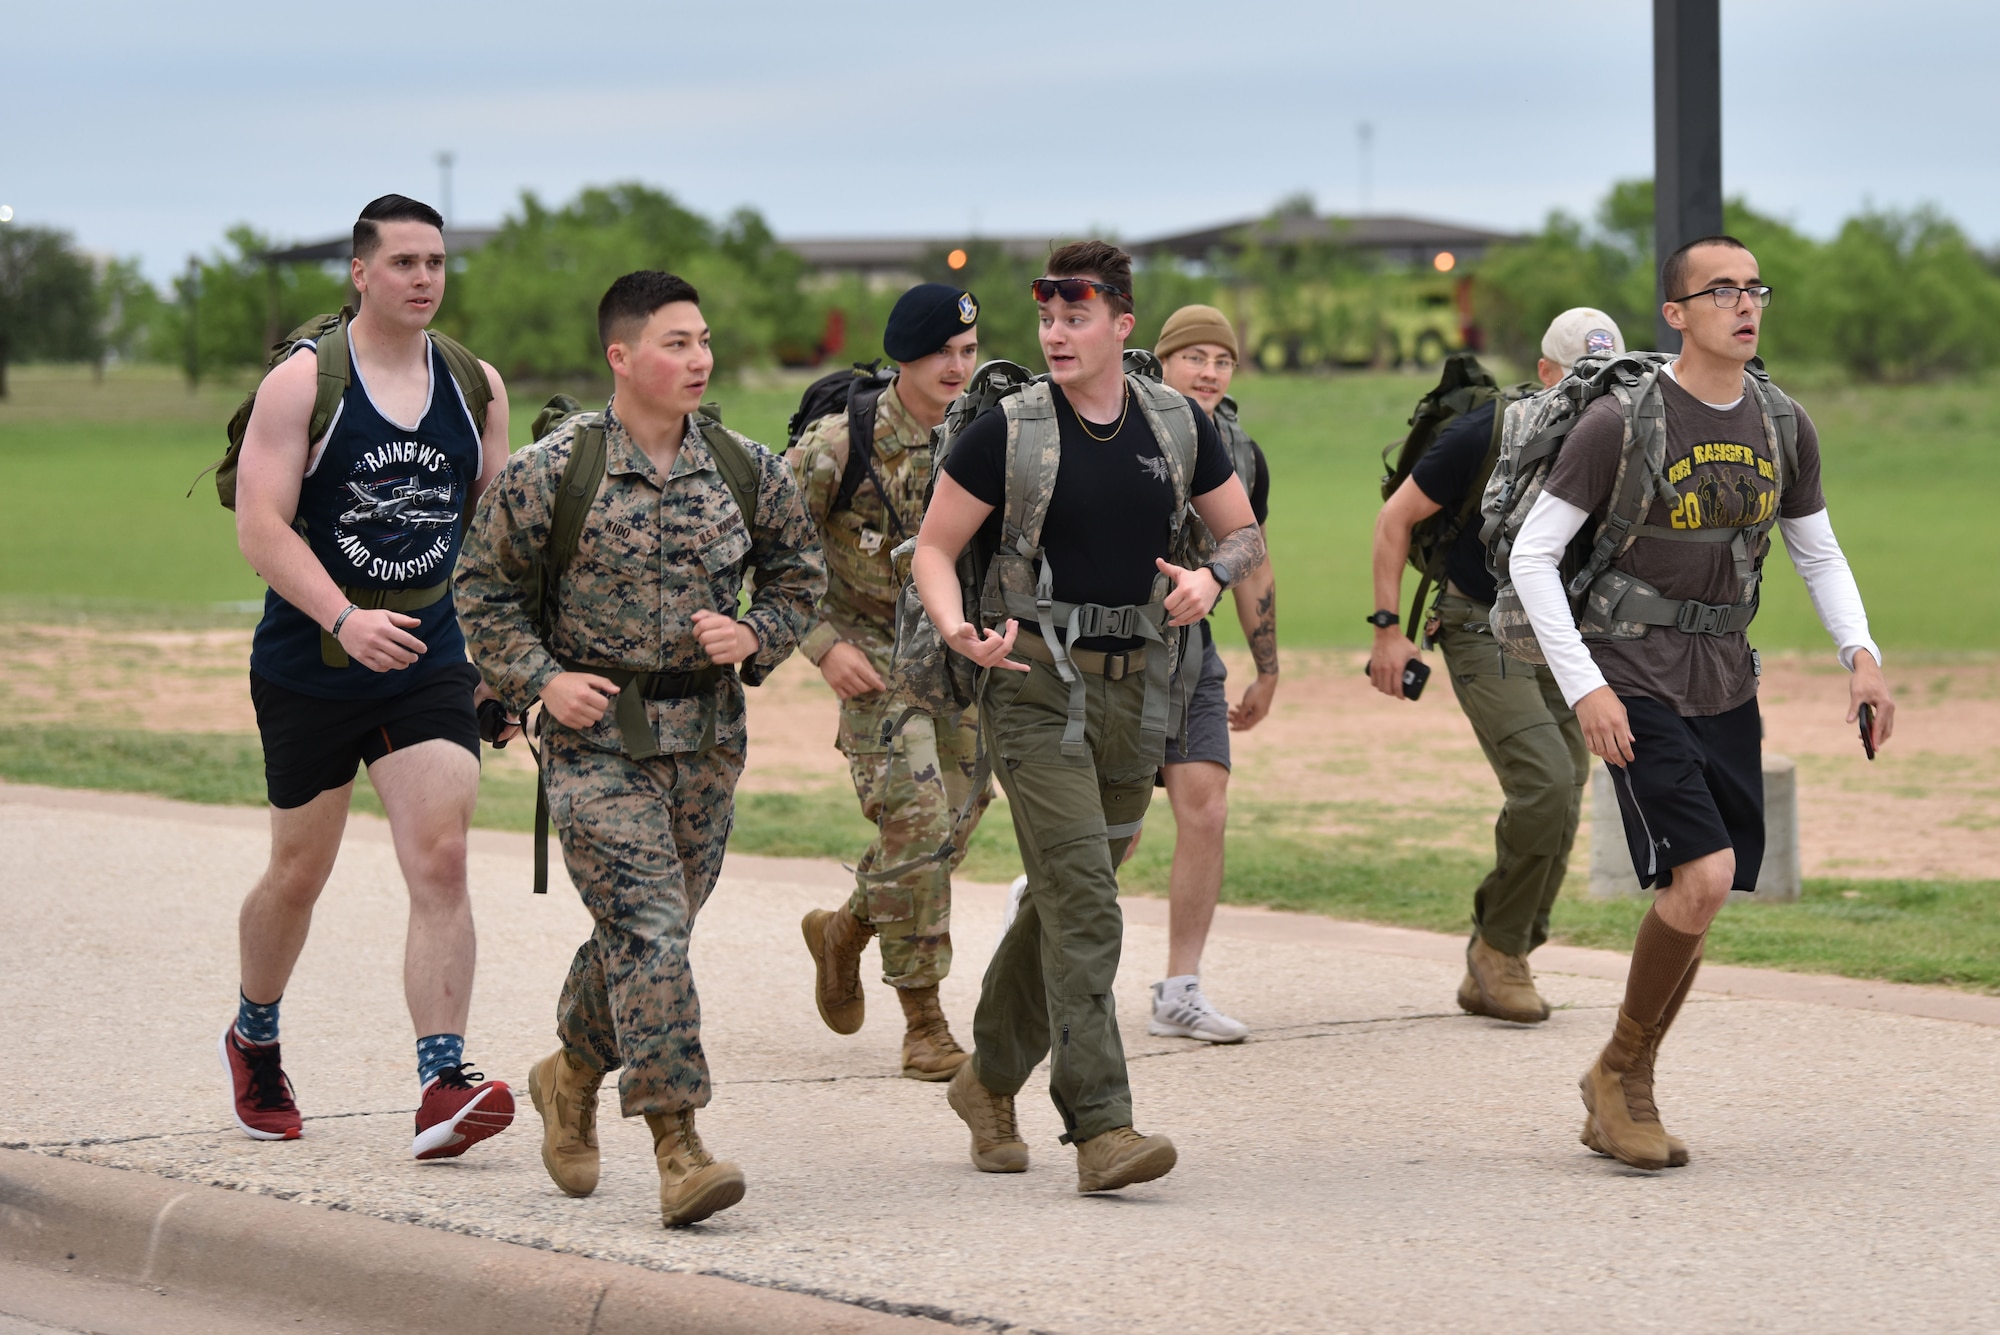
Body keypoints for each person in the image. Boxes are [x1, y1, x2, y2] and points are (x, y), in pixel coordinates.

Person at [1511, 237, 1894, 1170]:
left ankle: (1619, 1077)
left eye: (1754, 287)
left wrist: (1863, 653)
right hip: (1630, 670)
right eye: (1718, 289)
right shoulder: (1621, 424)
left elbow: (1816, 547)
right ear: (1675, 314)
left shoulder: (1782, 422)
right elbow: (1532, 555)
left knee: (1703, 892)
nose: (1743, 301)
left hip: (1725, 674)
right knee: (1706, 875)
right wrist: (1588, 685)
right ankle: (1623, 1077)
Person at [454, 271, 823, 1225]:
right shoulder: (554, 469)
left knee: (650, 932)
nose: (698, 359)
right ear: (622, 357)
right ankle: (678, 1143)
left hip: (705, 742)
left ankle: (569, 1073)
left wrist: (759, 636)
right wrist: (540, 680)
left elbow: (799, 573)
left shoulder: (748, 468)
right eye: (675, 342)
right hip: (594, 742)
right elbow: (480, 587)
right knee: (653, 929)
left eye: (703, 341)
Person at [912, 240, 1265, 1194]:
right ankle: (1103, 1123)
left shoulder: (1178, 425)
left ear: (1122, 324)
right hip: (1032, 681)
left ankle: (985, 1081)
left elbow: (1241, 531)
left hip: (1137, 688)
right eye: (1047, 318)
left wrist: (1207, 576)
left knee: (1068, 898)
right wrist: (957, 629)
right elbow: (936, 549)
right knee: (1088, 904)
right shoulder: (1010, 432)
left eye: (1077, 317)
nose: (1057, 334)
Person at [224, 193, 516, 1161]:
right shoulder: (303, 384)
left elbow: (493, 540)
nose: (423, 278)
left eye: (435, 261)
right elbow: (260, 526)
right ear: (360, 273)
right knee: (298, 872)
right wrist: (344, 616)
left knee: (440, 855)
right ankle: (254, 1036)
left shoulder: (475, 388)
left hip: (426, 661)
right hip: (310, 660)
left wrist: (499, 668)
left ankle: (442, 1081)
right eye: (402, 262)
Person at [1368, 309, 1622, 1023]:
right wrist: (1388, 630)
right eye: (1579, 378)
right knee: (1544, 780)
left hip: (1562, 629)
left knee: (1568, 782)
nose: (1595, 395)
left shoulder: (1625, 437)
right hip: (1481, 621)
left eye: (1607, 381)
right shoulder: (1487, 432)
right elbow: (1395, 519)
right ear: (1545, 374)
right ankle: (1501, 951)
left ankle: (1505, 950)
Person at [790, 283, 994, 1081]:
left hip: (957, 654)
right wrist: (819, 643)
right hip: (871, 656)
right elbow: (763, 549)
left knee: (951, 824)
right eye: (943, 351)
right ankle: (925, 1020)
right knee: (917, 815)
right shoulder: (838, 447)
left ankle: (845, 927)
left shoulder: (986, 436)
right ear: (906, 355)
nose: (957, 365)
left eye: (969, 352)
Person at [1144, 304, 1278, 1043]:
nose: (1207, 372)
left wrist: (1268, 667)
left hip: (1194, 653)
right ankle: (1036, 902)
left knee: (1206, 806)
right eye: (1193, 356)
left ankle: (1180, 989)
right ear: (1162, 360)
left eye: (1221, 360)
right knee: (1117, 830)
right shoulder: (1122, 422)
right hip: (1119, 653)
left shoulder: (1239, 449)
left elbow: (1250, 552)